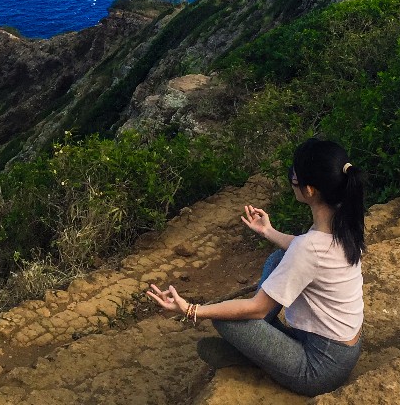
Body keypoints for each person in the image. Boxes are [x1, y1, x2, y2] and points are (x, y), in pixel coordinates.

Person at [144, 139, 367, 396]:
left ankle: (253, 355)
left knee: (226, 320)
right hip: (343, 347)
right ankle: (260, 349)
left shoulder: (309, 248)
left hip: (318, 369)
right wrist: (268, 231)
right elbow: (309, 252)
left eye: (294, 175)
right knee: (277, 258)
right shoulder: (345, 220)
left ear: (309, 190)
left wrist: (191, 309)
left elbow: (258, 308)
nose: (291, 176)